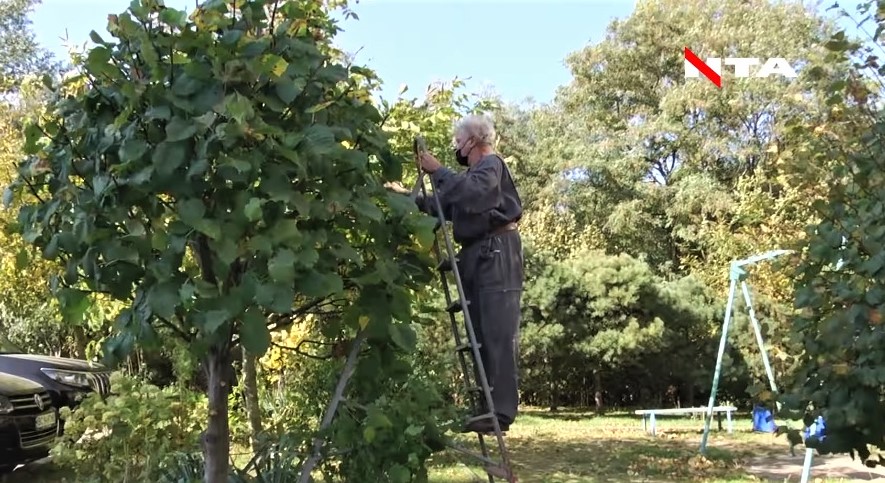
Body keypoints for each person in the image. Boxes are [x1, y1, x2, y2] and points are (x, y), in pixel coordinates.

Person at [386, 114, 524, 434]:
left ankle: (501, 411)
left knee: (497, 331)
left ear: (472, 141)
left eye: (457, 141)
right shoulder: (471, 176)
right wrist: (404, 196)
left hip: (497, 250)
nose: (454, 146)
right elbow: (445, 205)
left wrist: (438, 170)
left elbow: (474, 194)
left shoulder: (491, 165)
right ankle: (488, 407)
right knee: (479, 333)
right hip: (478, 253)